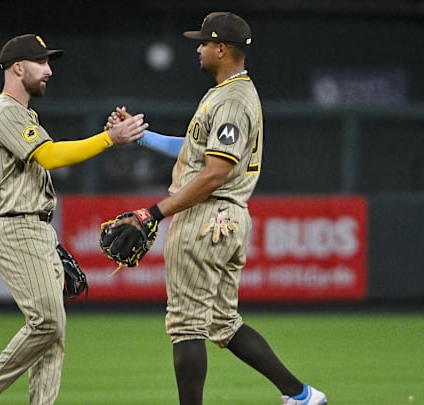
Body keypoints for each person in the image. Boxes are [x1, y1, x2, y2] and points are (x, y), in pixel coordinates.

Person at [106, 12, 327, 405]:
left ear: (221, 48)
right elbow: (199, 153)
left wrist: (153, 212)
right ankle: (301, 395)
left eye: (204, 43)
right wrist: (143, 137)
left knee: (186, 327)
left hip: (208, 216)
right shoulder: (229, 93)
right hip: (224, 217)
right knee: (222, 324)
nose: (199, 48)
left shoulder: (233, 100)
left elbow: (213, 174)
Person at [0, 33, 148, 405]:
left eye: (49, 63)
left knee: (53, 334)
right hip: (16, 226)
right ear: (17, 67)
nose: (48, 70)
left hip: (37, 227)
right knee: (47, 320)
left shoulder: (25, 114)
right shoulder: (5, 110)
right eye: (41, 62)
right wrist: (108, 138)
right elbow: (51, 156)